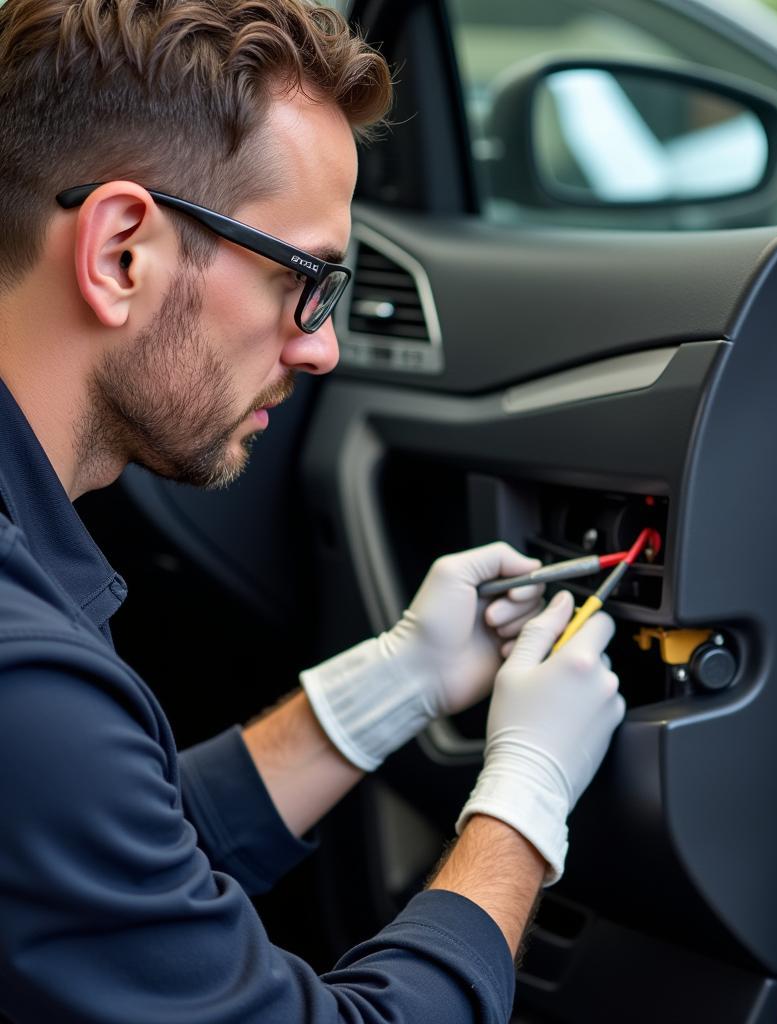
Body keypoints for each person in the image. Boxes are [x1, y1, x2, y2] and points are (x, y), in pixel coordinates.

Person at [0, 0, 626, 1020]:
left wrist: (390, 682)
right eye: (304, 278)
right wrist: (525, 796)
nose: (320, 346)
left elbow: (104, 865)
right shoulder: (24, 679)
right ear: (121, 251)